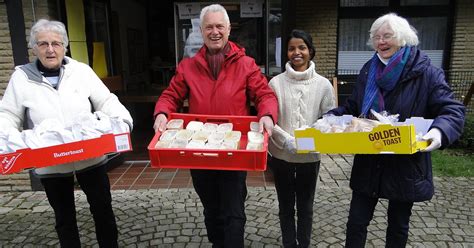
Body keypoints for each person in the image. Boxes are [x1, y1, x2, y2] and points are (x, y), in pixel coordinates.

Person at [326, 13, 465, 247]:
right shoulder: (369, 69)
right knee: (356, 222)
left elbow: (452, 110)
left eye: (387, 36)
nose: (381, 42)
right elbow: (354, 107)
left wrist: (439, 132)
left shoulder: (426, 73)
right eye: (376, 37)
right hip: (369, 160)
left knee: (398, 226)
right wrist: (331, 118)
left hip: (405, 163)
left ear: (403, 38)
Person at [153, 4, 278, 248]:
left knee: (233, 210)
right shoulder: (188, 66)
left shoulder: (246, 64)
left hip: (234, 152)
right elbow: (170, 95)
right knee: (211, 208)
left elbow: (265, 95)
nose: (215, 32)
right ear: (201, 30)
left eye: (220, 26)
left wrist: (267, 115)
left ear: (229, 29)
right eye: (209, 27)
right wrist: (161, 112)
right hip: (200, 152)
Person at [0, 19, 133, 247]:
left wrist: (123, 120)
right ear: (34, 47)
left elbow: (105, 99)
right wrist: (6, 140)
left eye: (56, 43)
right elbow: (8, 114)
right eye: (43, 44)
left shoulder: (81, 71)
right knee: (64, 218)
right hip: (50, 162)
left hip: (90, 157)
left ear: (65, 46)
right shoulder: (21, 78)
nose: (50, 49)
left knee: (103, 211)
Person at [268, 29, 336, 248]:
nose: (296, 52)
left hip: (310, 156)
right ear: (286, 53)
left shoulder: (324, 85)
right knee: (285, 206)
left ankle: (303, 243)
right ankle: (289, 243)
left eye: (302, 47)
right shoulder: (275, 84)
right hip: (281, 155)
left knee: (306, 207)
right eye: (291, 48)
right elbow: (269, 118)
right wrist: (287, 139)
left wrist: (309, 136)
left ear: (310, 51)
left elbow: (328, 118)